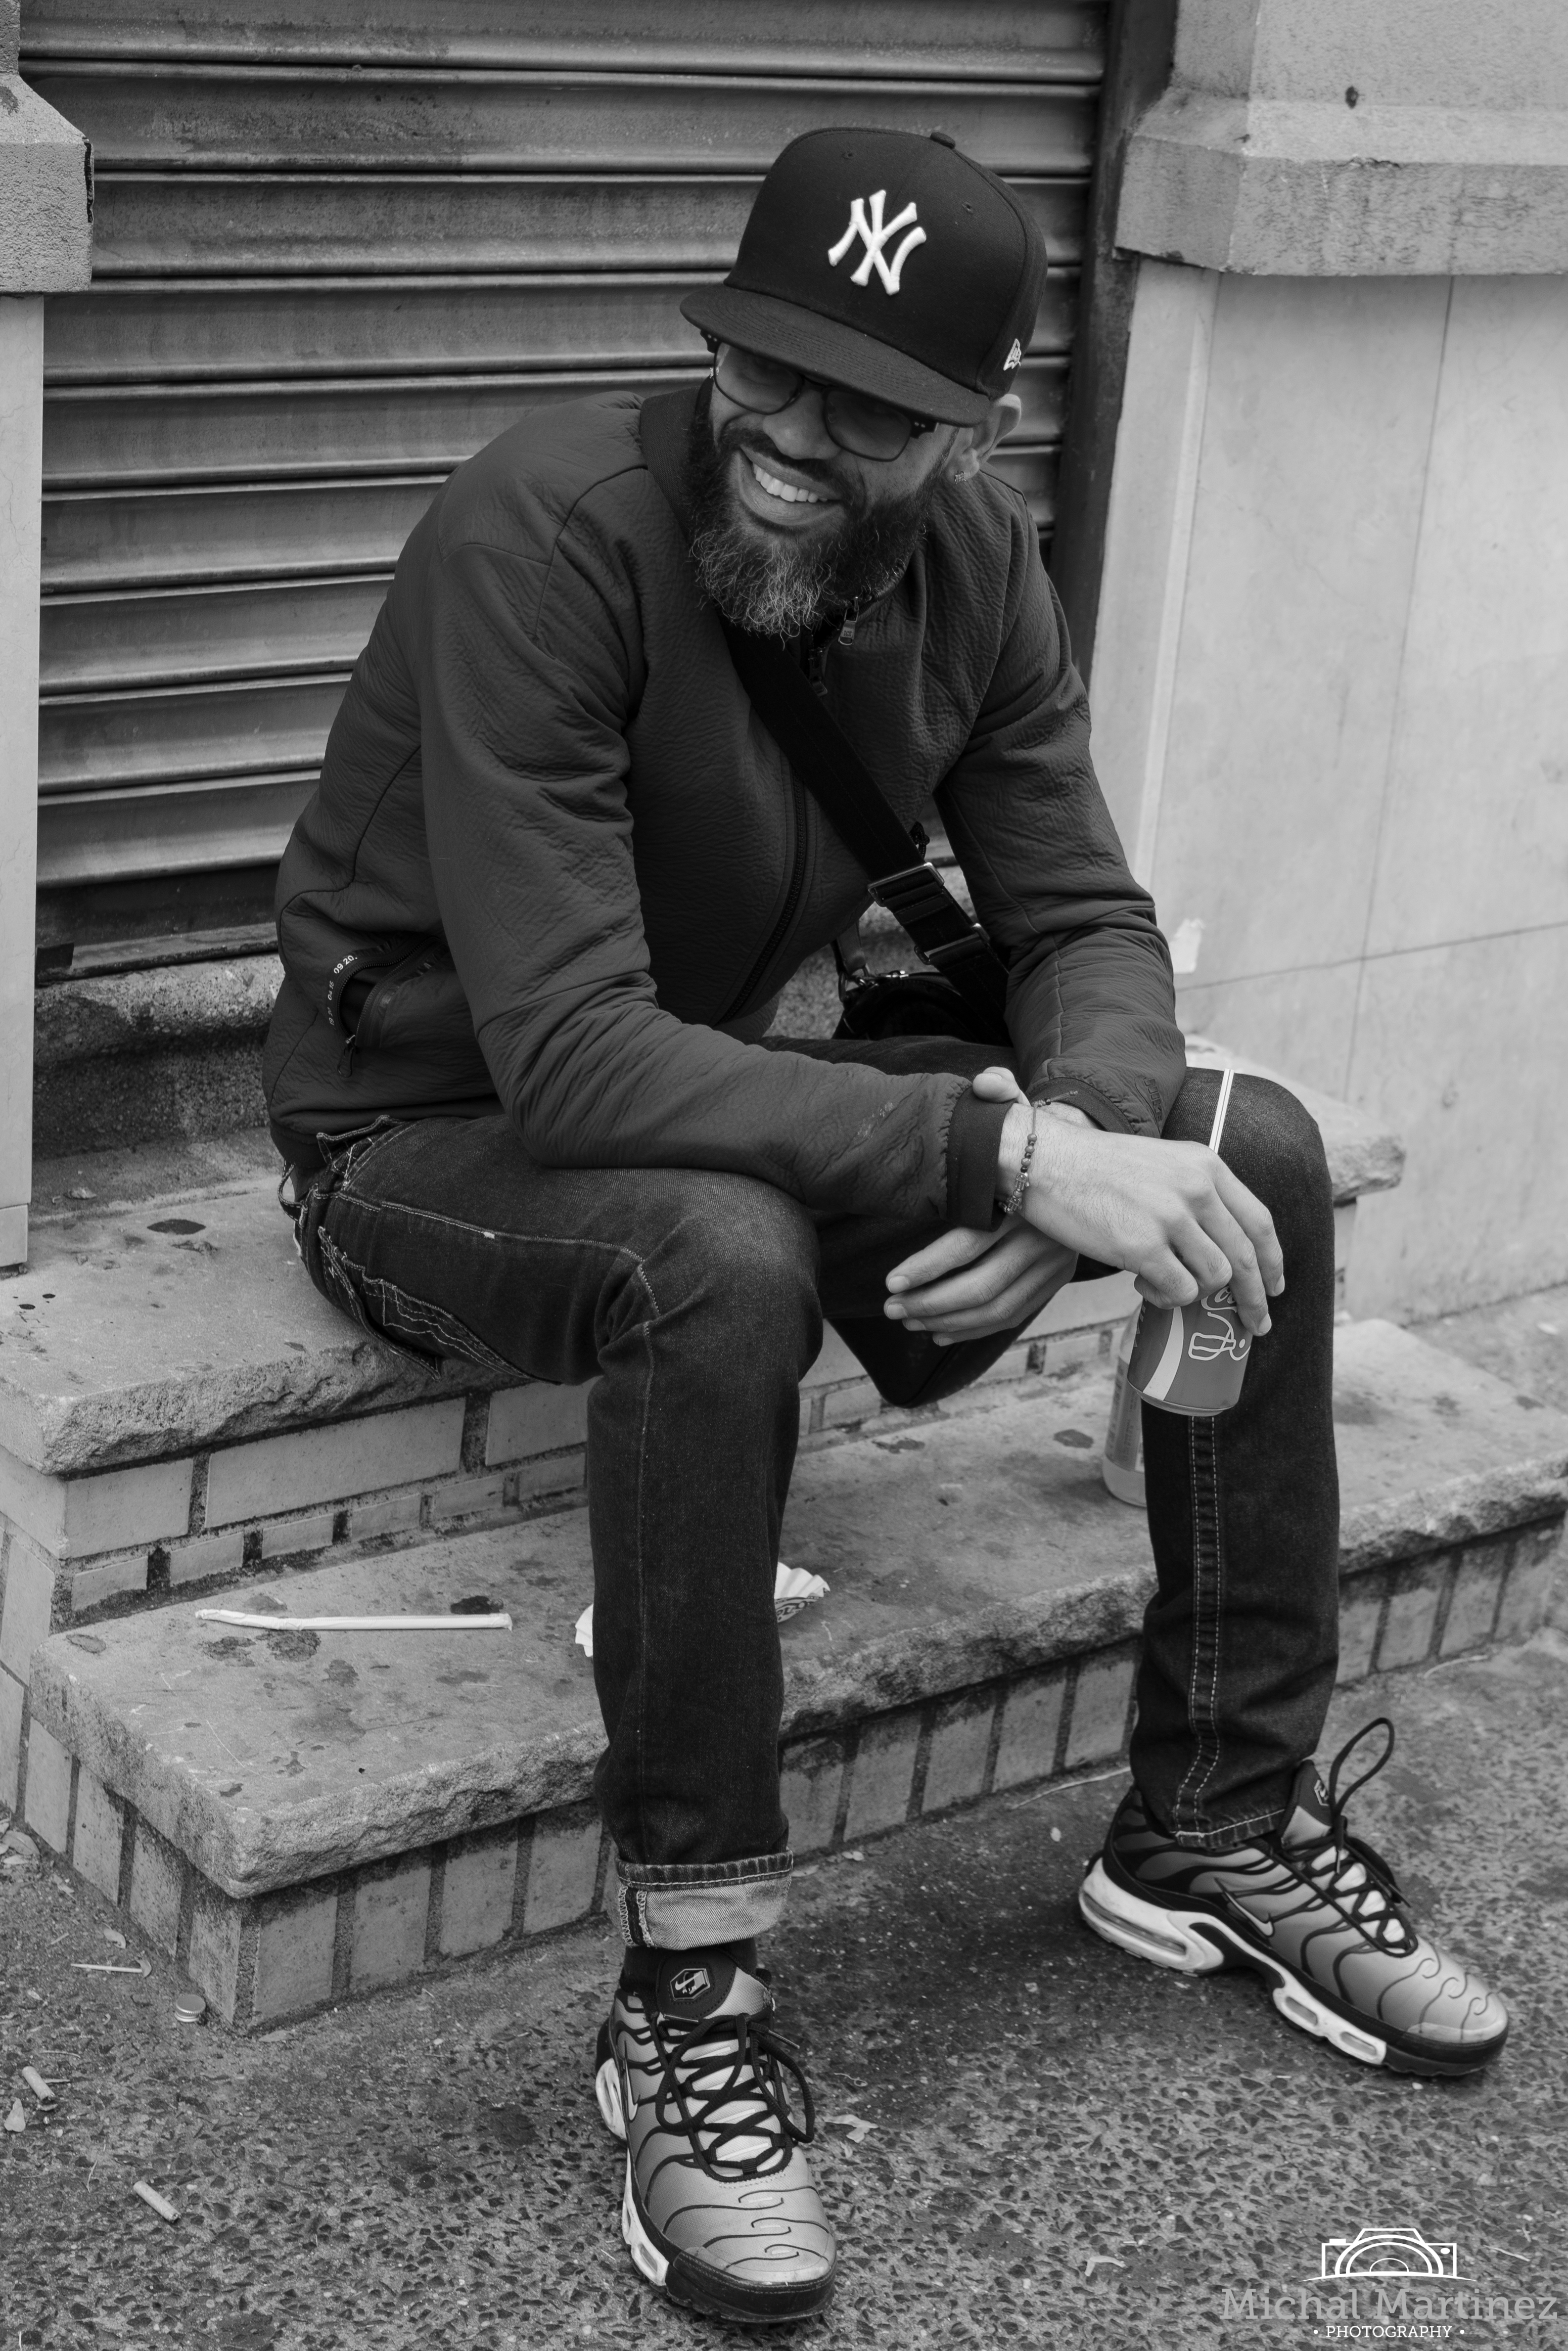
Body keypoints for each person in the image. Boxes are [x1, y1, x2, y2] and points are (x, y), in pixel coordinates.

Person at [263, 127, 1508, 2327]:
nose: (787, 436)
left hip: (718, 1093)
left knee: (1263, 1143)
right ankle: (691, 1991)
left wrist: (1098, 1134)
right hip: (430, 1136)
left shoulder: (979, 579)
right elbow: (563, 1059)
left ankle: (1209, 1821)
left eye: (862, 405)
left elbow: (1084, 919)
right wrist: (1009, 1164)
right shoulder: (539, 529)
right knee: (716, 1255)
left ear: (974, 428)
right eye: (761, 367)